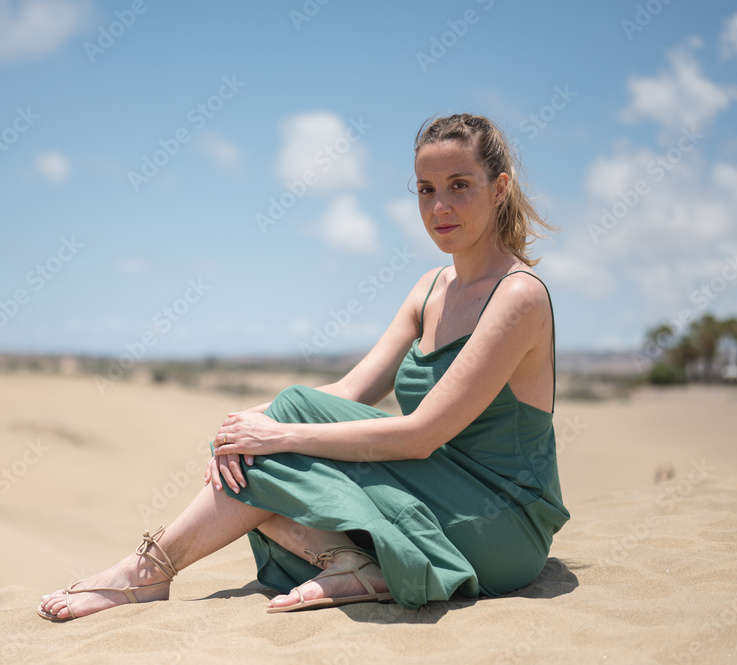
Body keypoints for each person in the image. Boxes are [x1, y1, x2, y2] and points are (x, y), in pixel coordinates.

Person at [38, 112, 569, 620]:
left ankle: (147, 572)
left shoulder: (518, 297)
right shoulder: (429, 289)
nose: (440, 206)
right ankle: (351, 563)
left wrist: (280, 433)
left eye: (459, 185)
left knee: (283, 429)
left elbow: (421, 436)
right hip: (432, 496)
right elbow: (349, 391)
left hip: (501, 523)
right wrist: (242, 428)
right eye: (426, 190)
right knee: (255, 436)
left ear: (499, 188)